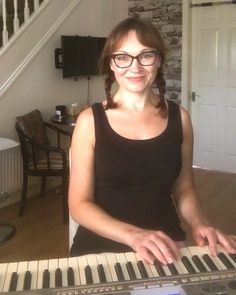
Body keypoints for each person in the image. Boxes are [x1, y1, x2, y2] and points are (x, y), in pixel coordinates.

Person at [68, 17, 236, 264]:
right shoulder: (89, 121)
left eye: (146, 55)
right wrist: (134, 235)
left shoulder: (180, 118)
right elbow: (79, 204)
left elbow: (184, 188)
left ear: (158, 60)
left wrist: (201, 223)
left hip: (165, 246)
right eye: (123, 57)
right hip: (99, 247)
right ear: (111, 65)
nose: (134, 67)